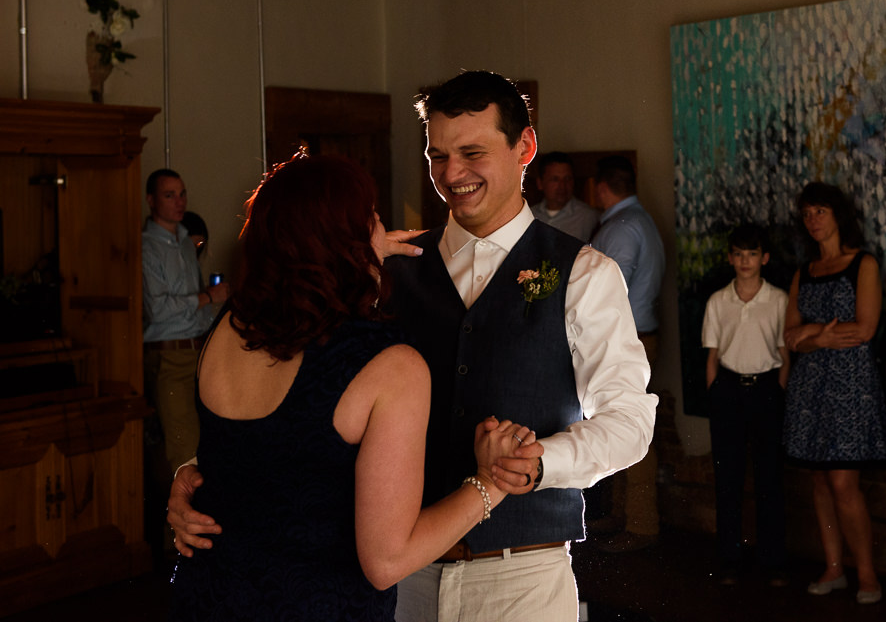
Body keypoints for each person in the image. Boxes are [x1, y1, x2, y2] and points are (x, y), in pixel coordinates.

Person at [169, 71, 657, 622]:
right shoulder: (381, 270)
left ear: (525, 147)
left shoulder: (585, 273)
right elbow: (300, 402)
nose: (451, 174)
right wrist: (202, 472)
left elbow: (630, 420)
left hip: (520, 578)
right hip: (397, 581)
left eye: (472, 152)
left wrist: (536, 463)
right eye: (436, 156)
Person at [168, 152, 528, 622]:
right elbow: (387, 561)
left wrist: (186, 476)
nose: (383, 228)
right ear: (349, 240)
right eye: (374, 218)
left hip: (208, 599)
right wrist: (488, 485)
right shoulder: (389, 366)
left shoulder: (230, 326)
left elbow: (262, 450)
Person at [782, 181, 886, 605]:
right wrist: (814, 336)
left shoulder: (863, 264)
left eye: (820, 211)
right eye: (807, 213)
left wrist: (812, 334)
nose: (812, 220)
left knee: (844, 482)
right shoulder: (803, 271)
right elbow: (789, 336)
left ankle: (867, 574)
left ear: (838, 215)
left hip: (850, 385)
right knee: (820, 482)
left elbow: (864, 329)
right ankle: (833, 567)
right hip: (810, 385)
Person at [702, 224, 790, 586]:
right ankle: (730, 559)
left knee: (770, 479)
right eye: (738, 254)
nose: (745, 261)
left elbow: (785, 356)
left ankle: (773, 562)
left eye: (752, 254)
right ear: (730, 259)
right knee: (729, 479)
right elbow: (712, 355)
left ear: (764, 259)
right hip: (729, 391)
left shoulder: (780, 300)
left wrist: (778, 394)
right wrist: (716, 395)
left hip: (767, 390)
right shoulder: (719, 301)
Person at [589, 154, 666, 552]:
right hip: (640, 334)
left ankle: (639, 524)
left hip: (629, 341)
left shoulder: (620, 228)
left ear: (601, 188)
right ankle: (622, 515)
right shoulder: (642, 220)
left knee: (631, 429)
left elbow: (606, 294)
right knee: (619, 423)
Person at [143, 169, 228, 476]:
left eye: (182, 194)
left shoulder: (184, 242)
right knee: (183, 454)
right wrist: (208, 297)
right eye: (170, 195)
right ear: (151, 200)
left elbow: (196, 305)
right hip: (169, 356)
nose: (179, 202)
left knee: (208, 445)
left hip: (198, 352)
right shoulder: (146, 247)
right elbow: (159, 310)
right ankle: (177, 523)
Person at [530, 151, 600, 241]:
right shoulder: (529, 215)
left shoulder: (589, 217)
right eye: (555, 179)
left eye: (567, 179)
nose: (562, 186)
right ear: (540, 183)